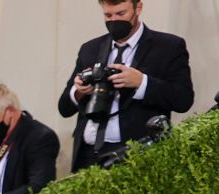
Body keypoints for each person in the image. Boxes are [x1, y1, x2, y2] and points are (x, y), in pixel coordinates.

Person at [59, 0, 193, 171]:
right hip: (88, 155)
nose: (114, 20)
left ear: (138, 8)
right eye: (108, 15)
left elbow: (183, 99)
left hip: (136, 156)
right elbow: (64, 108)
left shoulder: (168, 47)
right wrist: (78, 92)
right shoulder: (90, 49)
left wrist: (141, 82)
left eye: (121, 14)